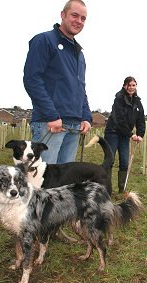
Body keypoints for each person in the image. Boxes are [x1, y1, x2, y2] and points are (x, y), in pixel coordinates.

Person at [23, 0, 92, 164]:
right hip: (51, 124)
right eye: (74, 15)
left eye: (83, 18)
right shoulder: (44, 41)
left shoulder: (79, 54)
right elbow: (32, 79)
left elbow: (80, 88)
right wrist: (51, 115)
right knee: (44, 184)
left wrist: (86, 117)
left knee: (64, 186)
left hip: (74, 128)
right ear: (63, 15)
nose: (79, 21)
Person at [104, 76, 145, 195]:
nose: (131, 87)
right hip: (113, 132)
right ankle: (106, 189)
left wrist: (140, 134)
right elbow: (119, 119)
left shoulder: (137, 101)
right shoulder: (119, 99)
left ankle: (122, 189)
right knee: (109, 160)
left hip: (124, 135)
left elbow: (141, 119)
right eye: (129, 85)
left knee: (125, 162)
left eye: (134, 85)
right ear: (124, 86)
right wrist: (130, 134)